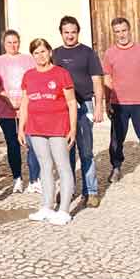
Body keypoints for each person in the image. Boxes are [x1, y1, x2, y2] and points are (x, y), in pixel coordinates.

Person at [19, 38, 77, 226]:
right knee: (44, 166)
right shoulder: (28, 76)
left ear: (50, 52)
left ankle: (64, 210)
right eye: (36, 53)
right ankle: (46, 206)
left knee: (63, 166)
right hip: (36, 128)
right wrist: (21, 127)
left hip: (58, 127)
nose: (40, 56)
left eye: (43, 51)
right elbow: (25, 102)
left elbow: (71, 103)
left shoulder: (61, 74)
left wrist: (73, 128)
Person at [103, 17, 140, 186]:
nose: (121, 34)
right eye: (117, 32)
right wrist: (108, 102)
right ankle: (116, 168)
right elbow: (107, 78)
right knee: (116, 139)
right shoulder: (109, 53)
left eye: (124, 30)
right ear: (114, 33)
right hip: (118, 103)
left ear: (130, 30)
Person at [53, 16, 104, 207]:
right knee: (65, 151)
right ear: (61, 33)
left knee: (86, 150)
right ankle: (67, 188)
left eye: (73, 32)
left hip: (84, 106)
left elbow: (97, 80)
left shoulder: (88, 53)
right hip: (62, 108)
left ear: (78, 32)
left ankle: (90, 191)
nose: (70, 36)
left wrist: (98, 106)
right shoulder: (55, 54)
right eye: (66, 32)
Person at [0, 30, 41, 193]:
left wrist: (25, 100)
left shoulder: (28, 59)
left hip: (27, 107)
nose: (13, 45)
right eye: (9, 42)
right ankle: (17, 177)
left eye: (15, 42)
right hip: (6, 109)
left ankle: (35, 178)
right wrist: (8, 100)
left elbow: (35, 79)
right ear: (4, 44)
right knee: (12, 143)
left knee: (32, 143)